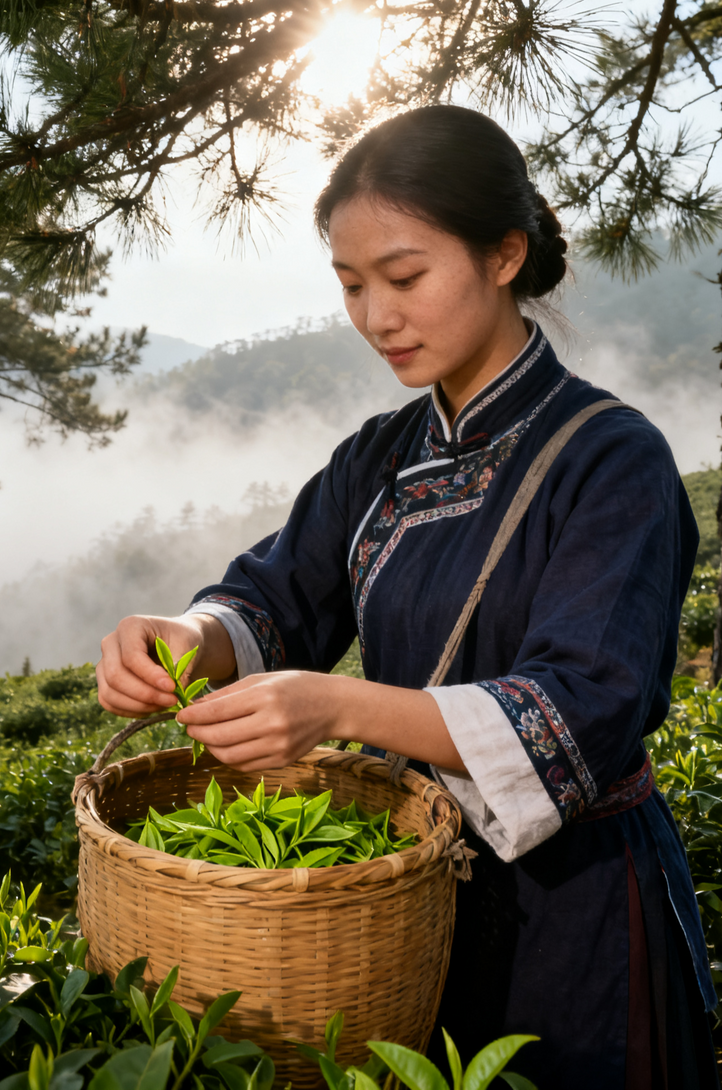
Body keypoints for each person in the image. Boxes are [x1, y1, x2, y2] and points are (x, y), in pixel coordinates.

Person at [96, 105, 720, 1087]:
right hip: (404, 906)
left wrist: (336, 704)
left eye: (404, 276)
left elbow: (584, 704)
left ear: (503, 253)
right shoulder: (380, 458)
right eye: (350, 286)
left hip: (577, 911)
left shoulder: (611, 458)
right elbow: (272, 599)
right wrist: (181, 637)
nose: (375, 317)